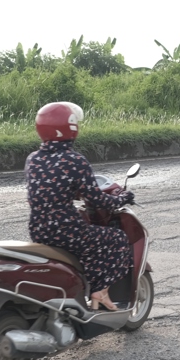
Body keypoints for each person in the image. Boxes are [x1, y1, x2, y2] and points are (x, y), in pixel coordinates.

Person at [25, 101, 134, 311]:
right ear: (71, 127)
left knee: (89, 244)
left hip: (38, 231)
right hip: (67, 232)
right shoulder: (75, 160)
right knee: (117, 239)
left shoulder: (33, 159)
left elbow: (48, 187)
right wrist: (122, 199)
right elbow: (97, 200)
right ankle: (100, 291)